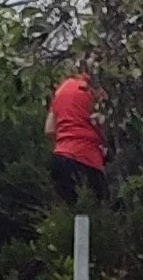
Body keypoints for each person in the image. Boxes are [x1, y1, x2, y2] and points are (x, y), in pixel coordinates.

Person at [46, 70, 108, 207]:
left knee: (70, 214)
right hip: (87, 159)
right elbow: (103, 125)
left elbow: (49, 129)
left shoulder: (62, 90)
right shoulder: (96, 91)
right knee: (95, 214)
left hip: (60, 157)